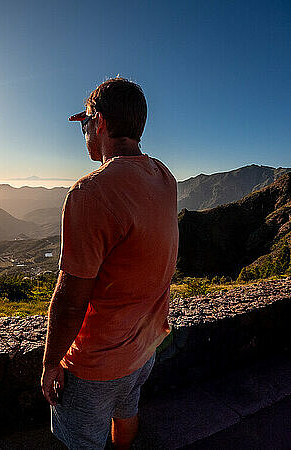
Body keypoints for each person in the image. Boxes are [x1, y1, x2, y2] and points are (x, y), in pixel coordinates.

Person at [41, 77, 178, 450]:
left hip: (96, 364)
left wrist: (51, 364)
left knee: (80, 440)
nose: (84, 131)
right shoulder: (163, 176)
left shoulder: (90, 192)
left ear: (99, 123)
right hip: (145, 347)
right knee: (126, 411)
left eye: (85, 123)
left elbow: (71, 299)